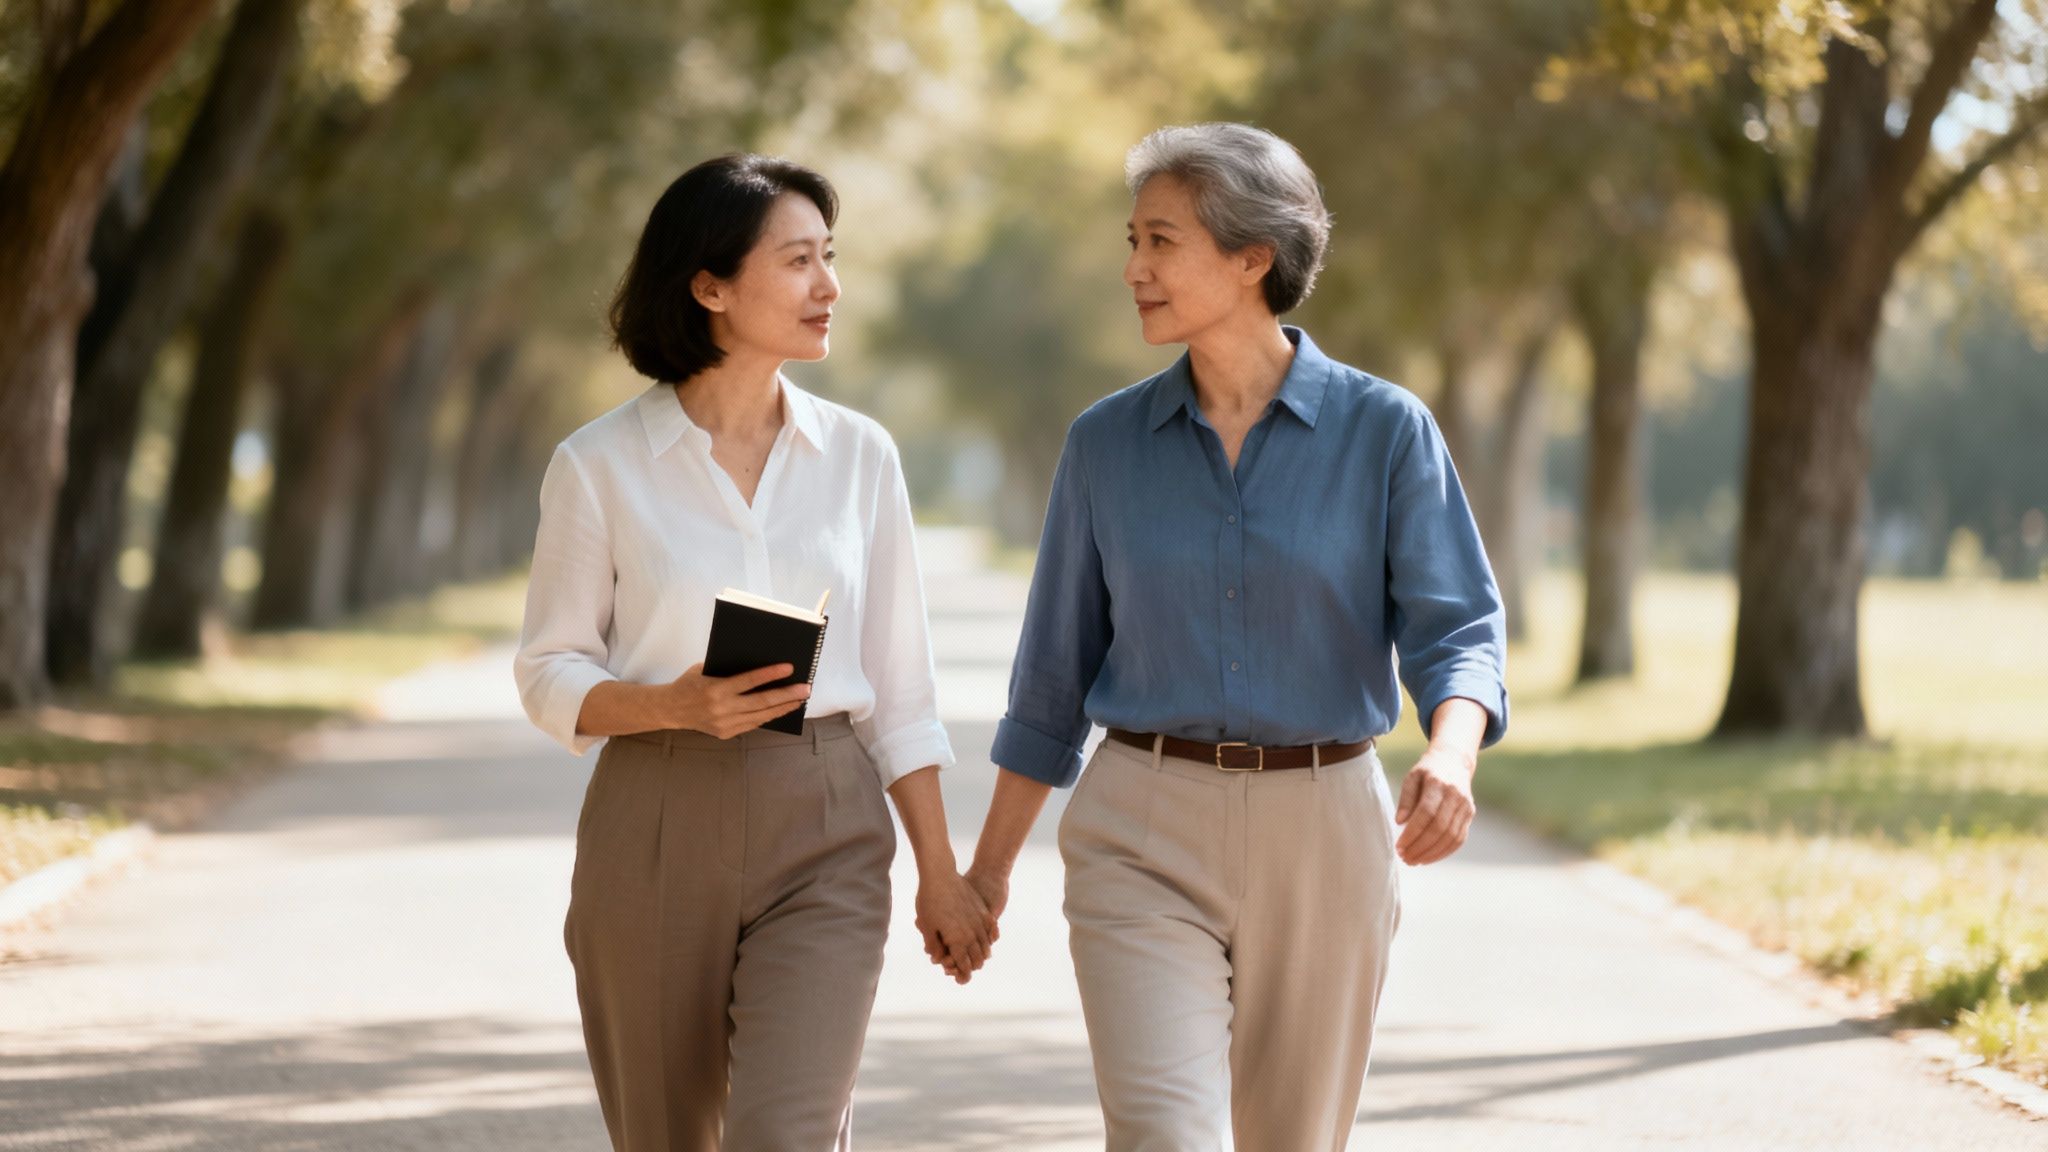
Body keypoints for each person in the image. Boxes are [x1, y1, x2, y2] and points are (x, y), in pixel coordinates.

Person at [962, 123, 1509, 1151]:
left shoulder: (1384, 431)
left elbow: (1458, 627)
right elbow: (1050, 682)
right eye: (1131, 241)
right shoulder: (1102, 446)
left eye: (1160, 242)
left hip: (1325, 830)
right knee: (1165, 1134)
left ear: (1251, 256)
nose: (1132, 269)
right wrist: (984, 875)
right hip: (1139, 828)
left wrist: (1450, 754)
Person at [514, 153, 994, 1152]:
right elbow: (548, 669)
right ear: (710, 286)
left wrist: (939, 875)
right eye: (798, 262)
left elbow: (900, 689)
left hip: (824, 817)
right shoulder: (597, 466)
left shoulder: (861, 457)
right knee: (666, 1135)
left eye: (830, 258)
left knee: (788, 1134)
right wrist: (669, 707)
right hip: (652, 813)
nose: (829, 287)